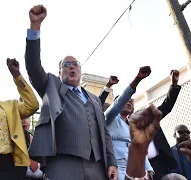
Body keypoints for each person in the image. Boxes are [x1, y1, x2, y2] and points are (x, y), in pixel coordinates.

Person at [25, 5, 118, 180]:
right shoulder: (51, 87)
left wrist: (111, 162)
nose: (72, 67)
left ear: (80, 70)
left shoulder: (94, 99)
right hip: (63, 165)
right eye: (66, 65)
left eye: (75, 64)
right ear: (60, 73)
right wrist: (35, 27)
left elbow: (104, 133)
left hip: (97, 166)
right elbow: (33, 67)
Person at [104, 66, 153, 180]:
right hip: (118, 168)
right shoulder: (109, 118)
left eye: (132, 101)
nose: (129, 102)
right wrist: (137, 80)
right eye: (127, 100)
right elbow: (118, 104)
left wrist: (149, 168)